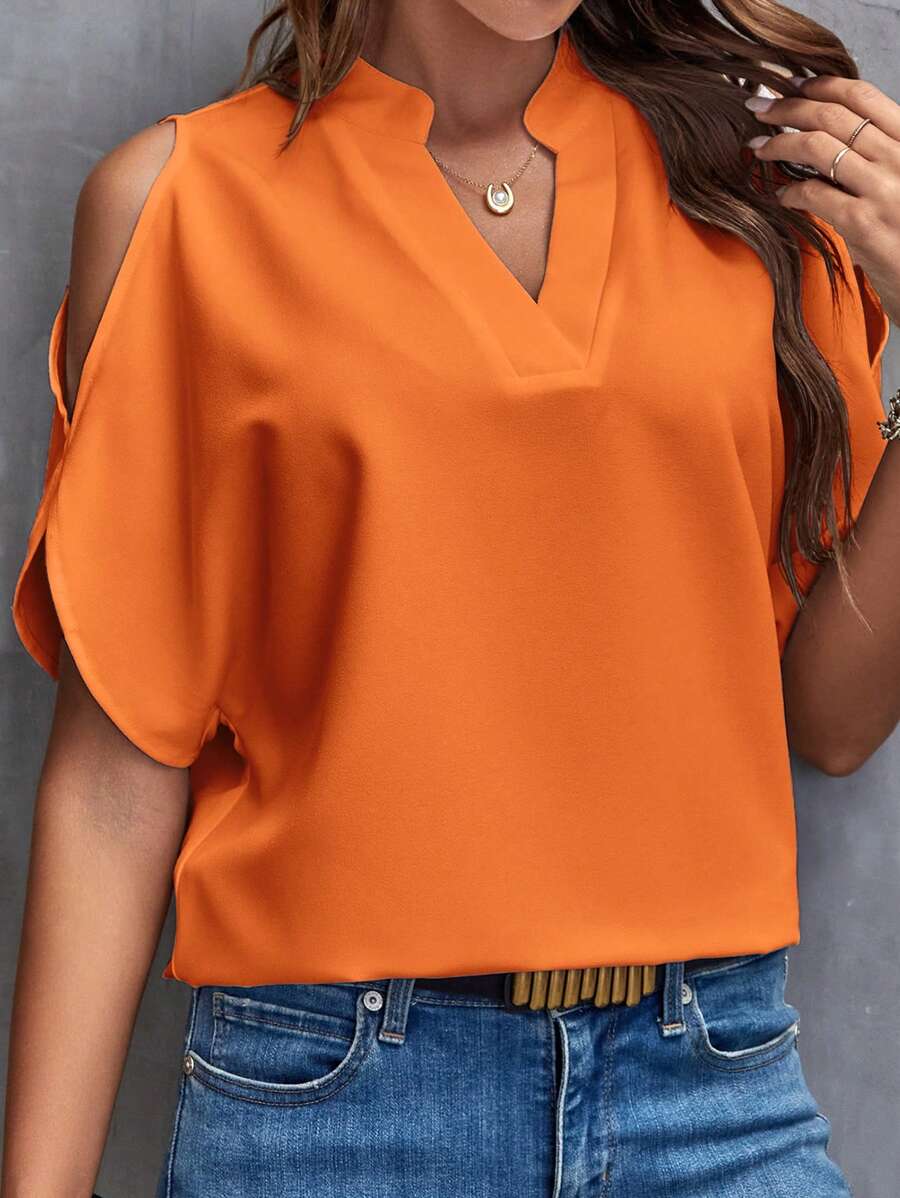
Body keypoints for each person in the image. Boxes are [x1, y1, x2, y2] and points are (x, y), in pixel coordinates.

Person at [4, 1, 899, 1194]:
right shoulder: (184, 203)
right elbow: (116, 781)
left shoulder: (759, 185)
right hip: (329, 1114)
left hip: (713, 1093)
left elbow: (834, 719)